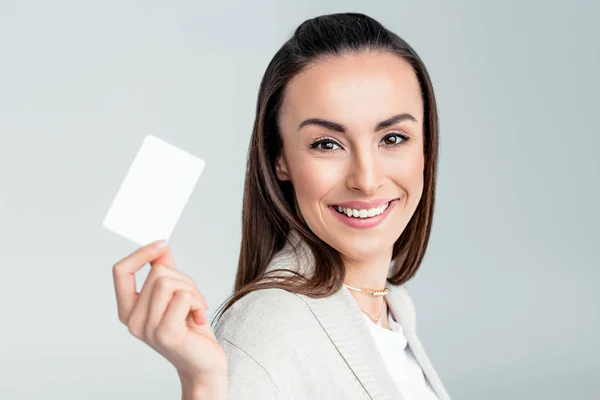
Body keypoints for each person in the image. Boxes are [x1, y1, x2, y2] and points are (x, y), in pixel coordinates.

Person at [112, 12, 451, 400]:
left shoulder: (394, 308)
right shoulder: (267, 329)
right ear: (281, 159)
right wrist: (202, 386)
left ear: (425, 146)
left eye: (392, 138)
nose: (367, 178)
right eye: (327, 144)